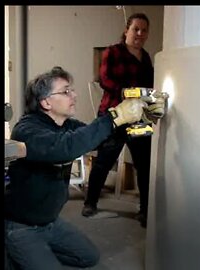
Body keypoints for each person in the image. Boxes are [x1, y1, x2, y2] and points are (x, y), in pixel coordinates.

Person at [4, 66, 147, 270]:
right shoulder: (27, 131)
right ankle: (16, 253)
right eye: (66, 91)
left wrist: (134, 125)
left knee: (89, 257)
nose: (74, 95)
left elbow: (97, 140)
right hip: (21, 226)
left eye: (71, 90)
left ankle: (34, 254)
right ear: (46, 102)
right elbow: (64, 148)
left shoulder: (67, 125)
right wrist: (114, 116)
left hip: (50, 221)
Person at [82, 13, 166, 228]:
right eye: (136, 29)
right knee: (104, 161)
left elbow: (150, 85)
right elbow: (105, 80)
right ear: (127, 30)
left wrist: (155, 96)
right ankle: (90, 203)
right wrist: (129, 93)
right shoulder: (113, 52)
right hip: (115, 116)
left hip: (139, 118)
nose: (140, 33)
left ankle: (145, 211)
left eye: (144, 30)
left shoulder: (145, 57)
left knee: (144, 163)